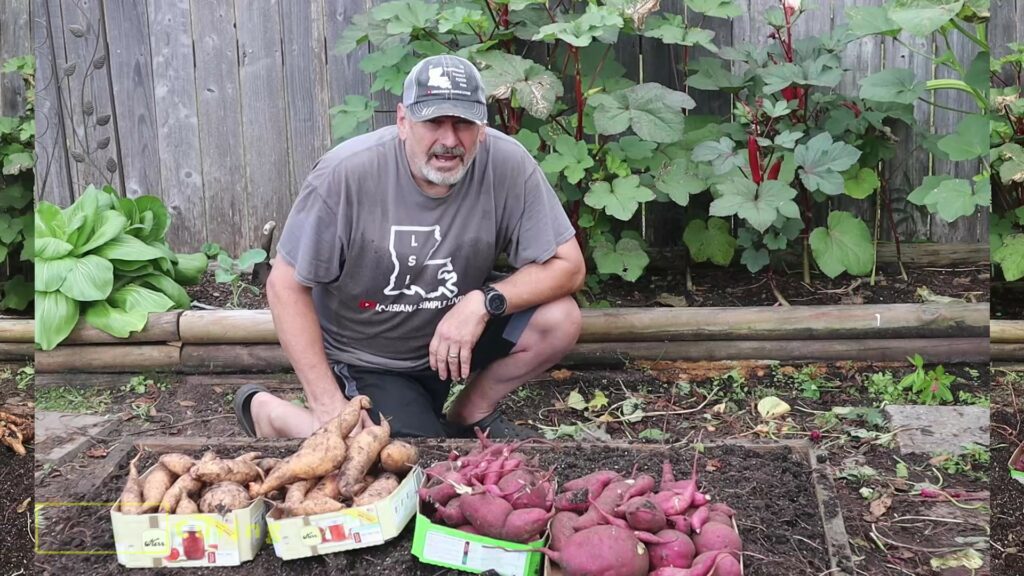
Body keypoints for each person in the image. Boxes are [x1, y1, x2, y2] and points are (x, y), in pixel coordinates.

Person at [233, 54, 585, 440]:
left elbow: (568, 266)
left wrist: (482, 303)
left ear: (481, 128)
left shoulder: (507, 164)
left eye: (463, 123)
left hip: (455, 342)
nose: (449, 141)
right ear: (403, 121)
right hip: (369, 357)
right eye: (434, 121)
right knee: (395, 460)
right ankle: (273, 413)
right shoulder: (346, 175)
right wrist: (328, 405)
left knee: (559, 319)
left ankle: (472, 411)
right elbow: (284, 284)